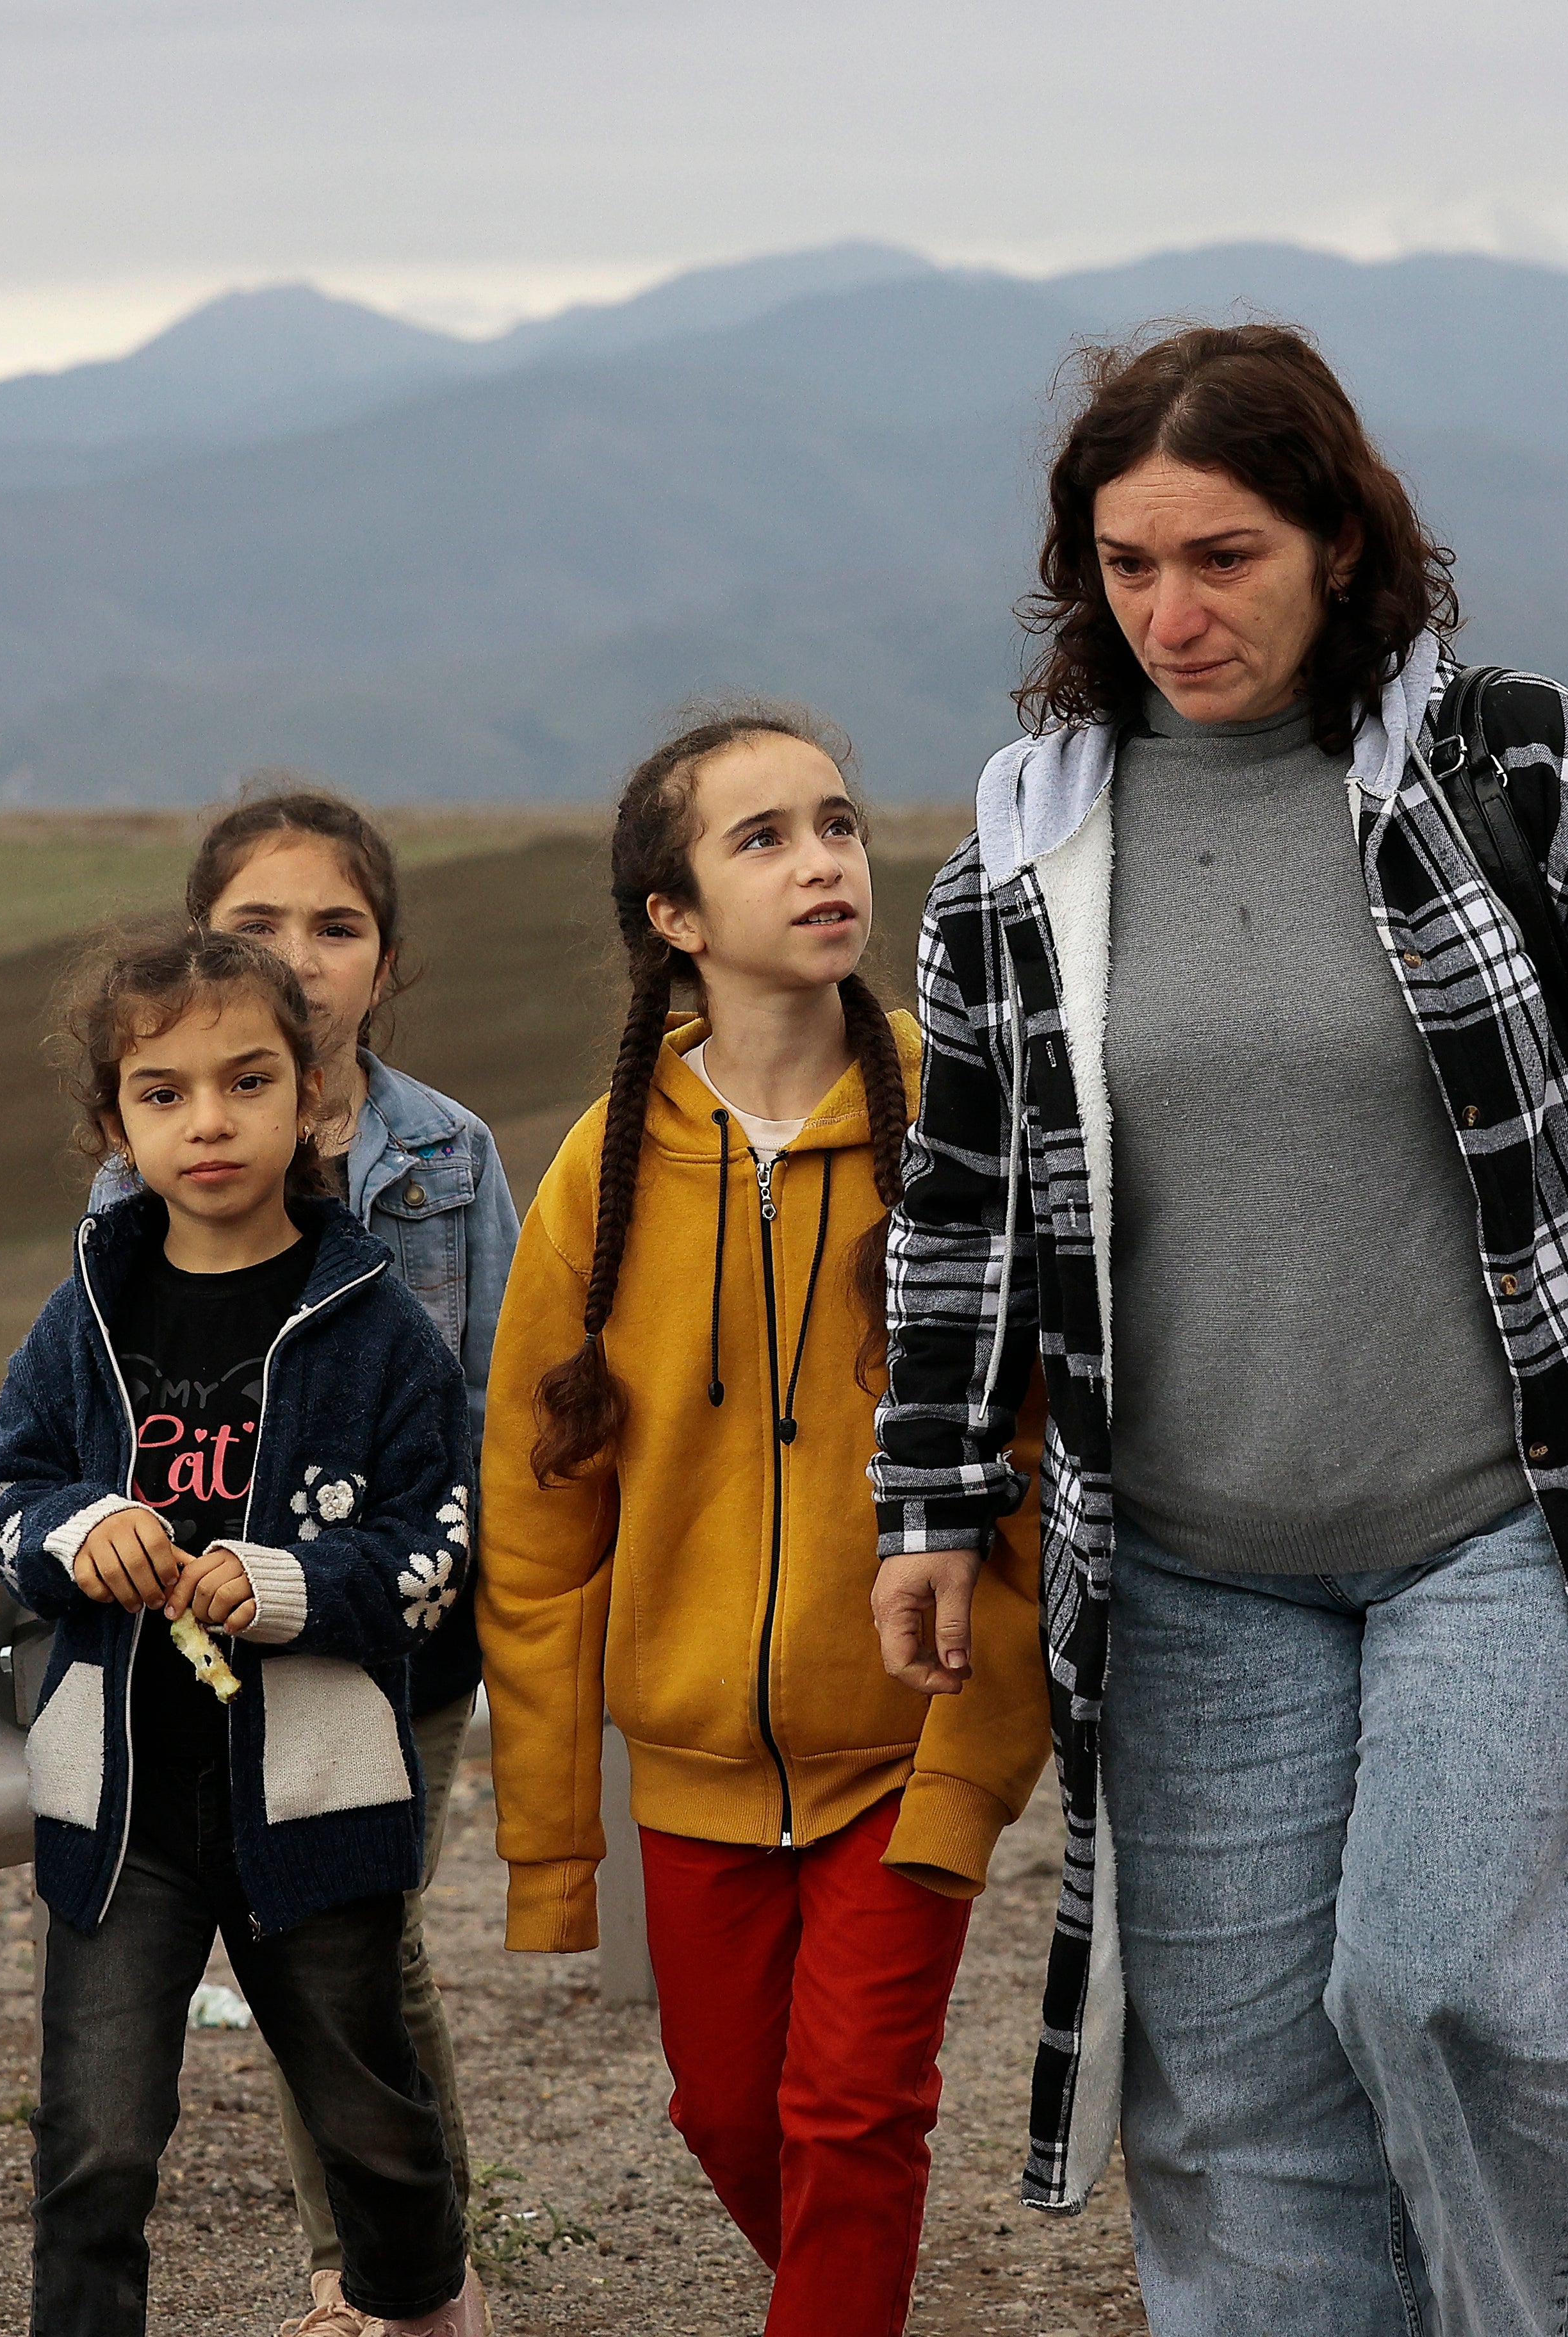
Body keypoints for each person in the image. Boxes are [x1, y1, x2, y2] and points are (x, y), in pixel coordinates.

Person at [867, 322, 1568, 2337]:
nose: (1173, 610)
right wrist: (932, 1498)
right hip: (1200, 1561)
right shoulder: (1026, 855)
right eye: (1129, 566)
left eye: (1221, 556)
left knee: (1455, 1986)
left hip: (1506, 1515)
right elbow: (958, 1205)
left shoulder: (1519, 770)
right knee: (1231, 2098)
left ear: (1336, 538)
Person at [477, 709, 1049, 2337]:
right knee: (730, 2122)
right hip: (689, 1775)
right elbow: (536, 1530)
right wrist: (548, 1845)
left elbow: (1039, 1475)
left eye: (839, 824)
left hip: (909, 1741)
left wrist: (979, 1754)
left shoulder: (965, 1127)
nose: (823, 862)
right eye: (764, 838)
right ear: (671, 918)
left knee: (854, 2115)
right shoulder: (603, 1170)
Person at [0, 927, 484, 2337]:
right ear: (112, 1122)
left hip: (314, 1794)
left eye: (247, 1081)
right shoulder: (83, 1313)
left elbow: (440, 1550)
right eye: (163, 1092)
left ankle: (424, 2311)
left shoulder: (380, 1329)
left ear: (314, 1100)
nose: (208, 1120)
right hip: (122, 1803)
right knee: (97, 2148)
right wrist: (85, 1528)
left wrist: (285, 1588)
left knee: (372, 2130)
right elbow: (6, 1494)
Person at [87, 780, 516, 2337]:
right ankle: (385, 2273)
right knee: (297, 1951)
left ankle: (405, 2282)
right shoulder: (146, 1163)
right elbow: (107, 1385)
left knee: (363, 1945)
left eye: (337, 926)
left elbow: (495, 1407)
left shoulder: (448, 1157)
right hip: (204, 1647)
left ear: (384, 962)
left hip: (392, 1633)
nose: (302, 953)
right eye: (256, 924)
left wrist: (479, 1608)